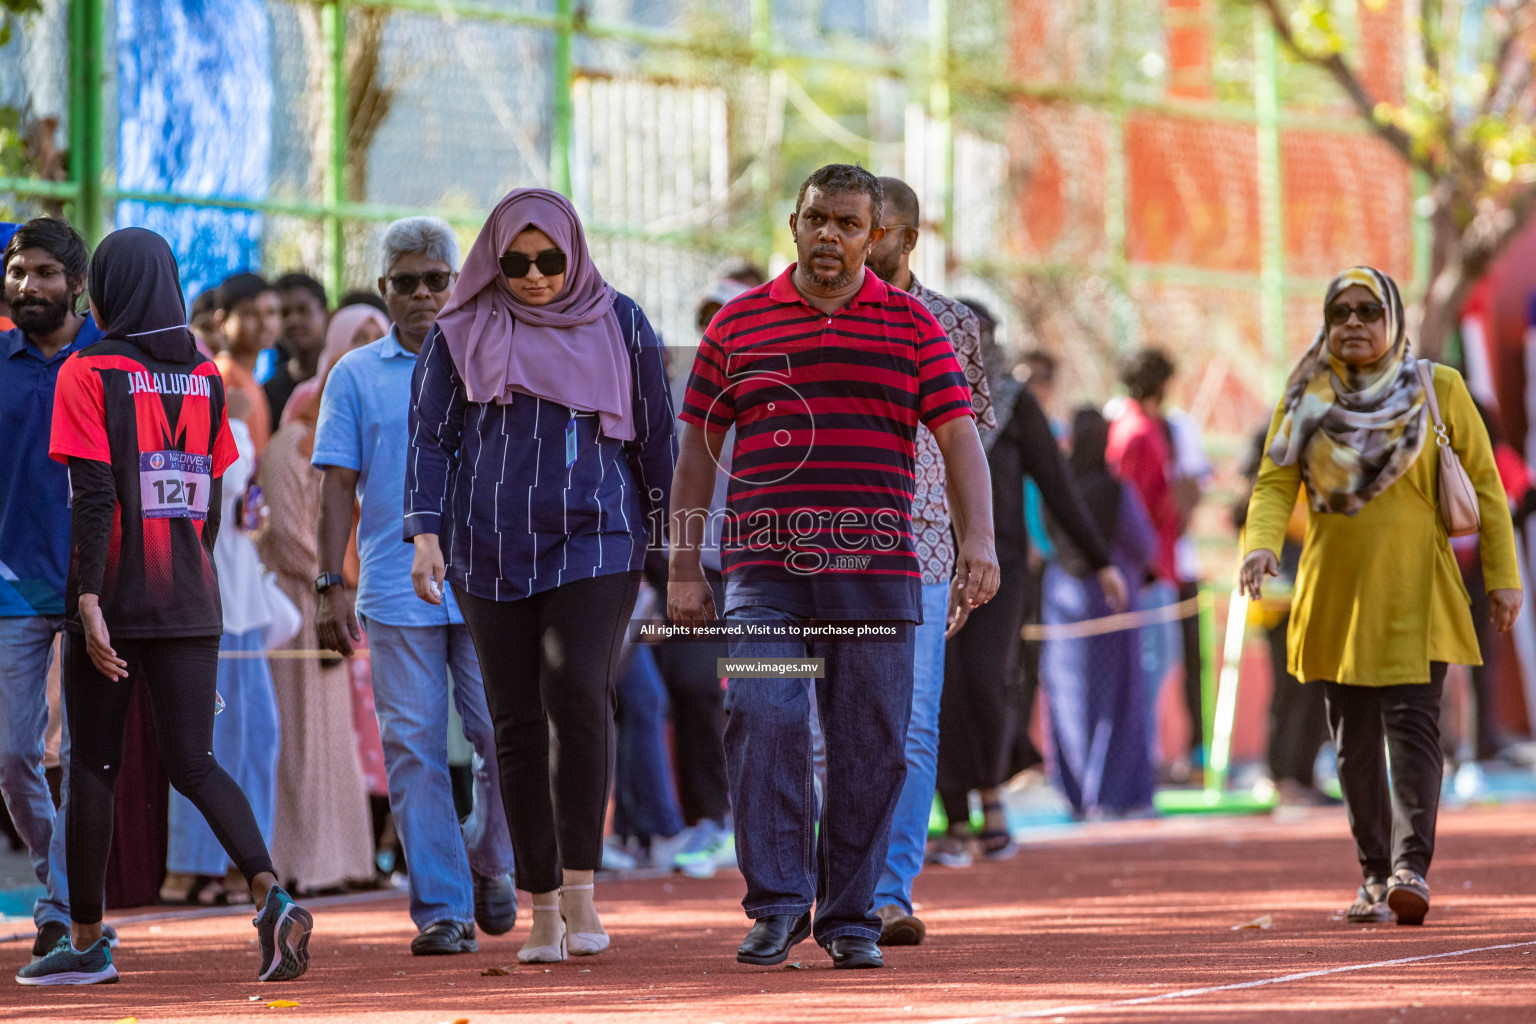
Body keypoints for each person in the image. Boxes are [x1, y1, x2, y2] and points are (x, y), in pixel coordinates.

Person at [669, 164, 998, 971]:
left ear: (873, 236)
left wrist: (977, 541)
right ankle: (777, 905)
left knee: (871, 741)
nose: (830, 236)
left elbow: (960, 440)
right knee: (763, 712)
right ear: (793, 223)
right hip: (763, 576)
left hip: (878, 571)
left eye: (848, 224)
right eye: (817, 219)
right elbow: (696, 453)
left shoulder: (914, 328)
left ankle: (851, 915)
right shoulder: (738, 327)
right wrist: (684, 567)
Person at [22, 227, 310, 985]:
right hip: (191, 596)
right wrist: (186, 570)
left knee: (93, 766)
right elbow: (209, 509)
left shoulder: (88, 369)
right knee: (196, 760)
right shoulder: (207, 377)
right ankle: (270, 893)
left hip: (112, 599)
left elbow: (93, 496)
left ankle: (85, 941)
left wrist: (86, 597)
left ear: (105, 288)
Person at [405, 189, 675, 964]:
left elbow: (657, 438)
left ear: (574, 254)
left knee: (578, 694)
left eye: (548, 260)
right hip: (487, 545)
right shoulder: (458, 331)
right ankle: (545, 908)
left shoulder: (620, 321)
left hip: (598, 537)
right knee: (512, 722)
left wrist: (674, 549)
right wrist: (424, 533)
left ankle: (584, 894)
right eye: (515, 262)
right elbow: (430, 439)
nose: (532, 276)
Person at [1241, 266, 1521, 927]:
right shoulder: (1306, 394)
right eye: (1341, 312)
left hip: (1417, 590)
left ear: (1393, 319)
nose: (1355, 324)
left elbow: (1487, 487)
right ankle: (1373, 875)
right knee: (1353, 742)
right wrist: (1260, 542)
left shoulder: (1439, 388)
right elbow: (1275, 480)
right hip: (1336, 595)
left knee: (1415, 728)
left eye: (1369, 311)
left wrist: (1504, 579)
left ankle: (1409, 870)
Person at [315, 217, 518, 956]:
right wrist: (328, 581)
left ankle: (491, 857)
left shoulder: (495, 360)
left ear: (459, 283)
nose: (425, 294)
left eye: (438, 280)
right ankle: (441, 907)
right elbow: (338, 483)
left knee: (503, 733)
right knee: (413, 747)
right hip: (396, 594)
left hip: (495, 584)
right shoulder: (354, 375)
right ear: (384, 290)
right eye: (408, 283)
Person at [935, 318, 1124, 867]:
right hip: (928, 563)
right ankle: (954, 817)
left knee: (988, 680)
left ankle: (992, 797)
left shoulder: (1015, 402)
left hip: (1000, 568)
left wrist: (1100, 560)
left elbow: (1056, 485)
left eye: (971, 337)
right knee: (940, 687)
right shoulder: (917, 388)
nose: (962, 348)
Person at [861, 175, 994, 947]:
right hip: (826, 547)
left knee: (911, 720)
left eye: (871, 229)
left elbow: (972, 428)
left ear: (907, 240)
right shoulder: (813, 313)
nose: (853, 241)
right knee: (819, 720)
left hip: (923, 545)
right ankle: (831, 877)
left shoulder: (951, 322)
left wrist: (976, 536)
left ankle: (889, 891)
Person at [0, 218, 106, 959]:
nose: (27, 285)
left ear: (76, 284)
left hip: (102, 582)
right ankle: (57, 883)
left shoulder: (110, 357)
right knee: (13, 754)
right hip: (13, 584)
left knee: (90, 754)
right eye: (15, 272)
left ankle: (64, 905)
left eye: (42, 272)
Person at [258, 305, 386, 898]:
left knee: (337, 739)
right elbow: (286, 534)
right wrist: (330, 582)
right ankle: (302, 860)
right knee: (301, 738)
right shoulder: (290, 443)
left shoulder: (368, 438)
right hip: (304, 601)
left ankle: (343, 859)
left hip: (343, 598)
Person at [160, 391, 280, 906]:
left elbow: (246, 510)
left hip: (246, 602)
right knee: (207, 742)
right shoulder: (172, 428)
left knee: (259, 737)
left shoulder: (240, 431)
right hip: (207, 603)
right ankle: (188, 868)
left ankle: (244, 864)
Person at [1040, 408, 1157, 819]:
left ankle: (1075, 794)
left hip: (1061, 600)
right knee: (1118, 697)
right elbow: (1143, 541)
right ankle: (1114, 795)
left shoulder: (1056, 487)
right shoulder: (1115, 489)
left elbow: (1045, 539)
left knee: (1068, 698)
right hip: (1111, 599)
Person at [1106, 348, 1184, 772]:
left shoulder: (1143, 427)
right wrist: (1147, 561)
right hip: (1147, 570)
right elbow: (1129, 504)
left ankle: (1145, 752)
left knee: (1160, 659)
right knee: (1149, 660)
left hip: (1160, 561)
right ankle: (1141, 757)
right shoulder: (1134, 432)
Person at [213, 272, 280, 454]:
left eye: (271, 313)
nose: (264, 323)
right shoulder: (224, 376)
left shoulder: (249, 377)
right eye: (251, 313)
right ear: (222, 321)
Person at [264, 272, 330, 424]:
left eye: (303, 310)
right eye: (284, 313)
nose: (293, 320)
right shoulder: (269, 391)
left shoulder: (341, 376)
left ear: (325, 315)